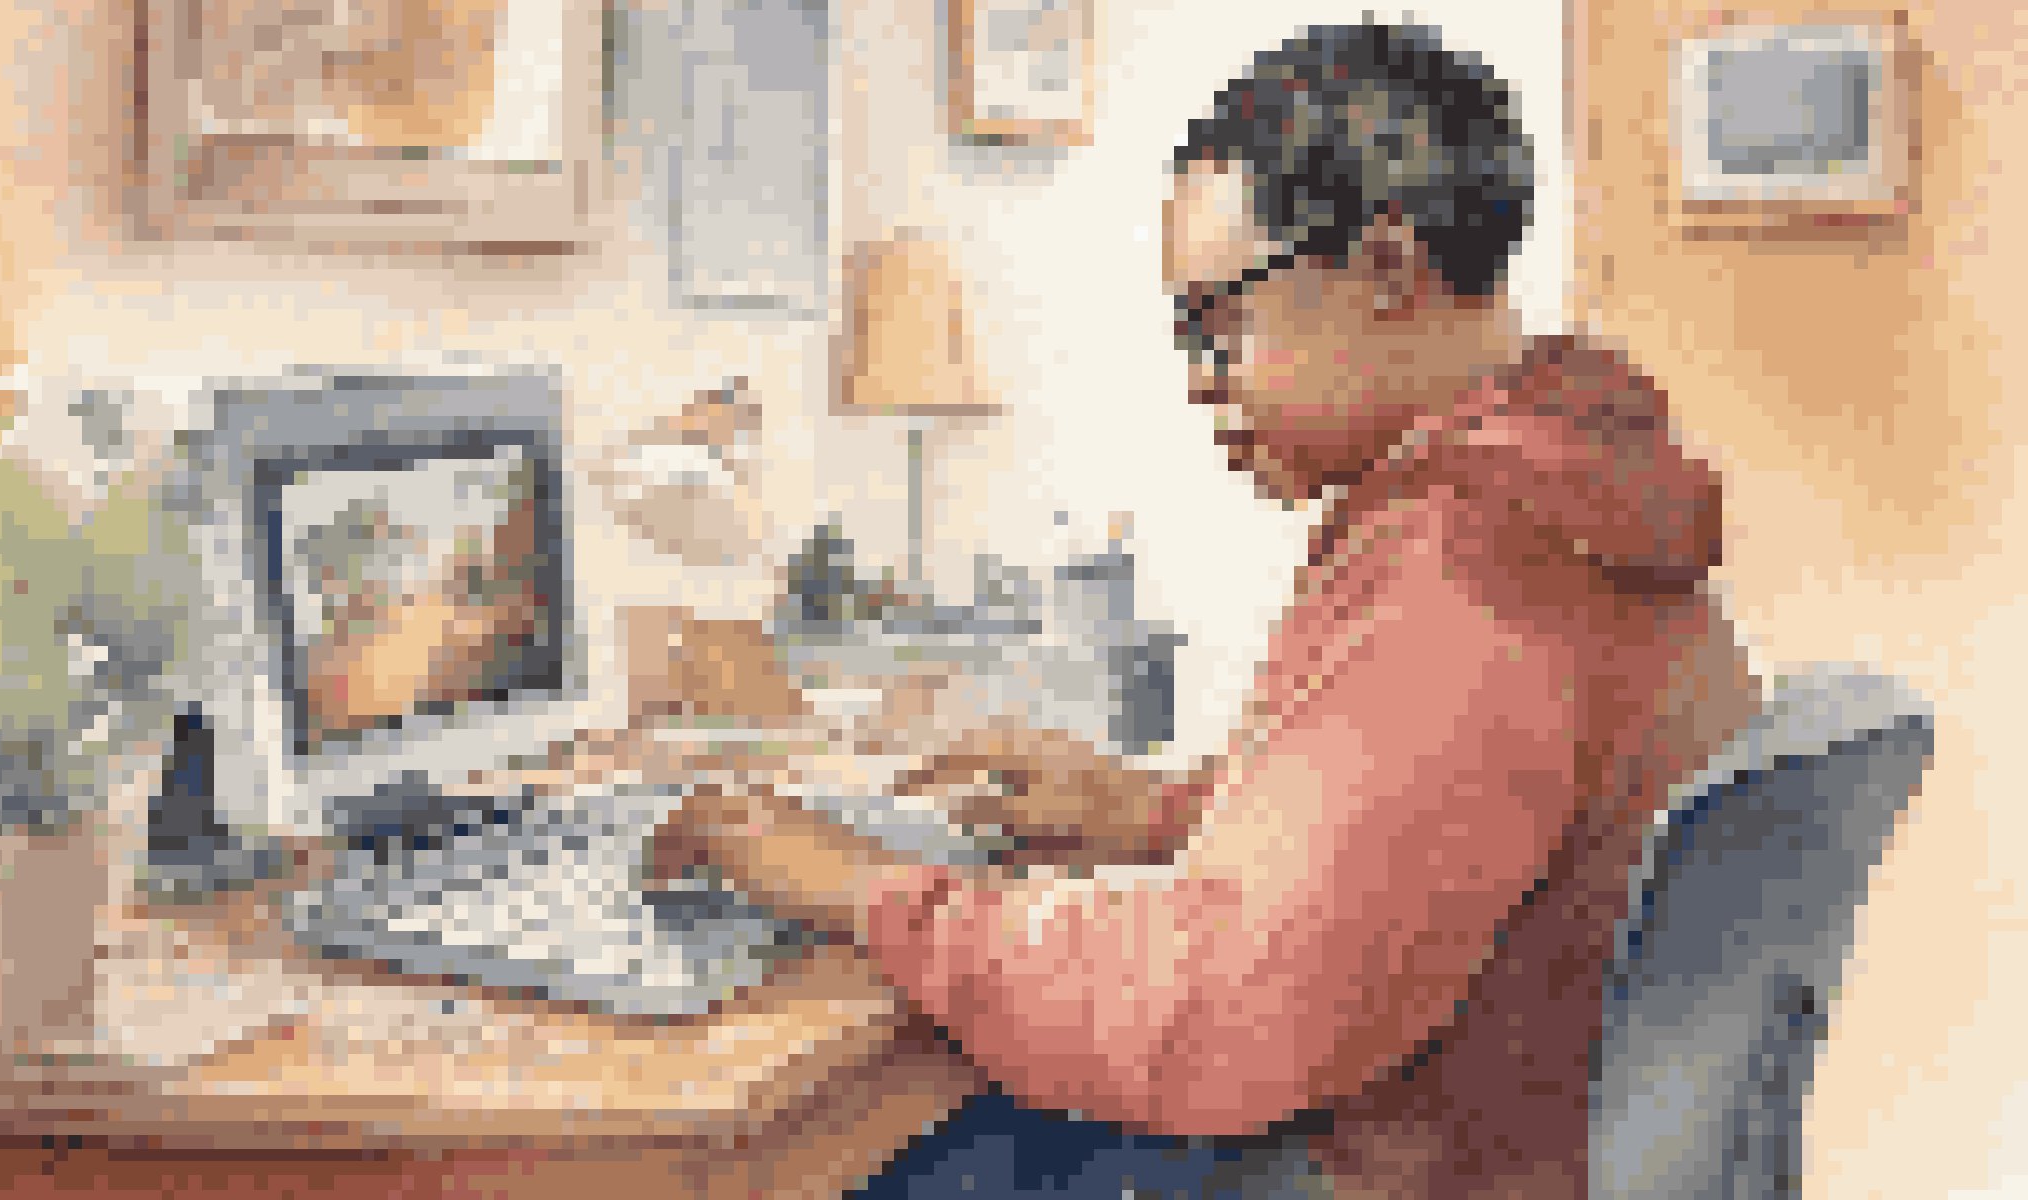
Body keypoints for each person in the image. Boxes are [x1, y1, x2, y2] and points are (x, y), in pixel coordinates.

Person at [649, 20, 1766, 1199]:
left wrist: (854, 885)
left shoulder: (1468, 568)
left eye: (1217, 324)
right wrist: (1150, 811)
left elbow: (1213, 1019)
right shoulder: (1569, 481)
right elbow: (1410, 855)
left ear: (1387, 271)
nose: (1197, 379)